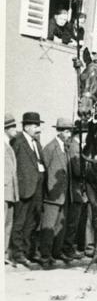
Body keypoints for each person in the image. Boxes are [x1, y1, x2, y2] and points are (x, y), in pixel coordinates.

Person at [9, 112, 45, 267]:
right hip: (24, 189)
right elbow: (12, 164)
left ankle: (28, 251)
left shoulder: (36, 143)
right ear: (27, 126)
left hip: (37, 188)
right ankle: (17, 254)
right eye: (36, 126)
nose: (38, 129)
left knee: (32, 222)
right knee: (19, 222)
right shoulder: (17, 141)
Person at [38, 118, 74, 268]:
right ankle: (45, 255)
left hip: (64, 195)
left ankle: (56, 252)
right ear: (59, 132)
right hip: (52, 196)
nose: (69, 134)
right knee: (48, 226)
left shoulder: (65, 148)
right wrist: (46, 191)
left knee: (60, 226)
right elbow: (44, 170)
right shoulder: (50, 148)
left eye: (70, 131)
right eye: (66, 131)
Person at [61, 122, 86, 260]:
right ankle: (68, 248)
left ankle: (68, 247)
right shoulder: (75, 148)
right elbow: (77, 171)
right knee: (72, 221)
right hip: (75, 190)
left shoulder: (75, 146)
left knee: (73, 221)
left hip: (76, 190)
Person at [5, 114, 19, 264]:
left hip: (10, 191)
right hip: (4, 189)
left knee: (8, 223)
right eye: (13, 127)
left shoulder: (8, 144)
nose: (16, 129)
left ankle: (4, 253)